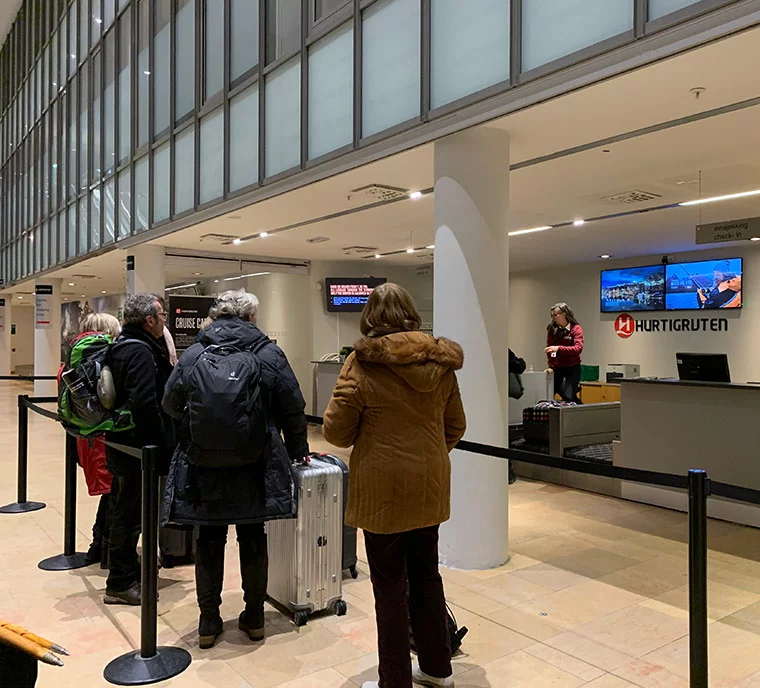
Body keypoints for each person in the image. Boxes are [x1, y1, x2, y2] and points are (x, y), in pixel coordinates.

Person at [323, 282, 466, 688]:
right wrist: (426, 458)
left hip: (381, 491)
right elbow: (455, 426)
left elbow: (335, 430)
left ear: (370, 317)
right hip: (428, 487)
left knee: (388, 585)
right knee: (427, 577)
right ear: (412, 313)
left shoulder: (362, 363)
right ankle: (438, 670)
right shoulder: (440, 363)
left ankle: (395, 681)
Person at [162, 290, 308, 649]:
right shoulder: (268, 353)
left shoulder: (195, 353)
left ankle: (208, 621)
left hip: (204, 466)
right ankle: (254, 616)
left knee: (209, 537)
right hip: (255, 463)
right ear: (252, 318)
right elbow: (293, 405)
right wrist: (298, 451)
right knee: (252, 534)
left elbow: (169, 402)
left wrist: (196, 433)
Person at [103, 294, 175, 605]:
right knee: (131, 515)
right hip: (137, 449)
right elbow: (146, 404)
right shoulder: (140, 351)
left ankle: (125, 571)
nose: (164, 321)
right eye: (161, 316)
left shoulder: (121, 346)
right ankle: (120, 582)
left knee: (124, 510)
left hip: (121, 444)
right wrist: (157, 446)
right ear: (149, 320)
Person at [77, 312, 122, 567]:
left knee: (110, 495)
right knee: (115, 495)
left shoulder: (77, 358)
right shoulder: (103, 361)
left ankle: (98, 545)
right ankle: (106, 549)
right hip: (106, 439)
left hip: (87, 437)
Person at [545, 302, 584, 404]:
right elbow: (550, 350)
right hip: (558, 367)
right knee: (549, 393)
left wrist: (559, 348)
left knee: (568, 396)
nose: (553, 318)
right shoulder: (552, 329)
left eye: (555, 315)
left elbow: (578, 349)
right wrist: (551, 366)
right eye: (552, 316)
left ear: (564, 314)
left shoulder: (575, 328)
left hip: (572, 367)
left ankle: (577, 410)